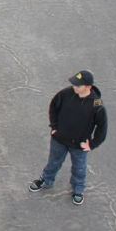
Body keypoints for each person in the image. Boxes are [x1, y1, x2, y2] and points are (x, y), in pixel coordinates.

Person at [29, 70, 107, 206]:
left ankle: (78, 189)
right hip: (59, 139)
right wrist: (54, 127)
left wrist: (92, 144)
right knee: (53, 162)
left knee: (79, 168)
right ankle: (46, 180)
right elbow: (53, 107)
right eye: (74, 84)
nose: (74, 87)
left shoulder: (97, 105)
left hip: (79, 145)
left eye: (78, 85)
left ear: (88, 87)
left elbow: (102, 128)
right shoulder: (66, 93)